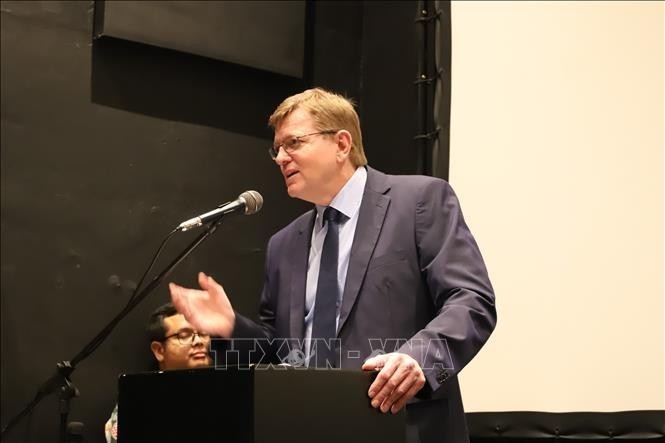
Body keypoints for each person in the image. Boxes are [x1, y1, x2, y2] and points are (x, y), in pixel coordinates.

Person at [169, 87, 496, 443]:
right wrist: (233, 328)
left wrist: (419, 359)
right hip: (311, 429)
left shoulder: (419, 201)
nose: (280, 157)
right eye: (276, 148)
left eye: (293, 142)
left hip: (400, 426)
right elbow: (282, 355)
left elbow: (472, 300)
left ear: (342, 144)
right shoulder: (283, 245)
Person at [104, 302, 212, 443]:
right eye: (184, 335)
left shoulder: (226, 390)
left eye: (203, 333)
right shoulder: (138, 401)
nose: (198, 341)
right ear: (159, 350)